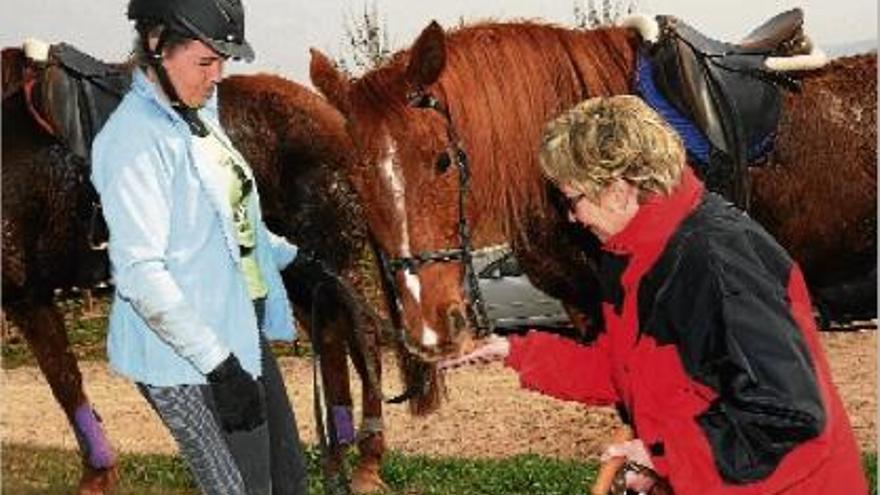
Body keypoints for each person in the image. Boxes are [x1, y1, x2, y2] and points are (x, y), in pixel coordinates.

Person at [440, 96, 867, 494]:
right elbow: (621, 369)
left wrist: (661, 456)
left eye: (573, 199)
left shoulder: (718, 264)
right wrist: (512, 351)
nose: (572, 217)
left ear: (619, 189)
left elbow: (788, 422)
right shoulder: (636, 254)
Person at [91, 1, 308, 493]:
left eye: (223, 62)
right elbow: (141, 275)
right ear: (156, 45)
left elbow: (229, 224)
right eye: (206, 63)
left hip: (238, 330)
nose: (218, 76)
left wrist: (298, 263)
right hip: (189, 359)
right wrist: (220, 368)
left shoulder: (198, 116)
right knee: (242, 488)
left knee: (289, 480)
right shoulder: (132, 143)